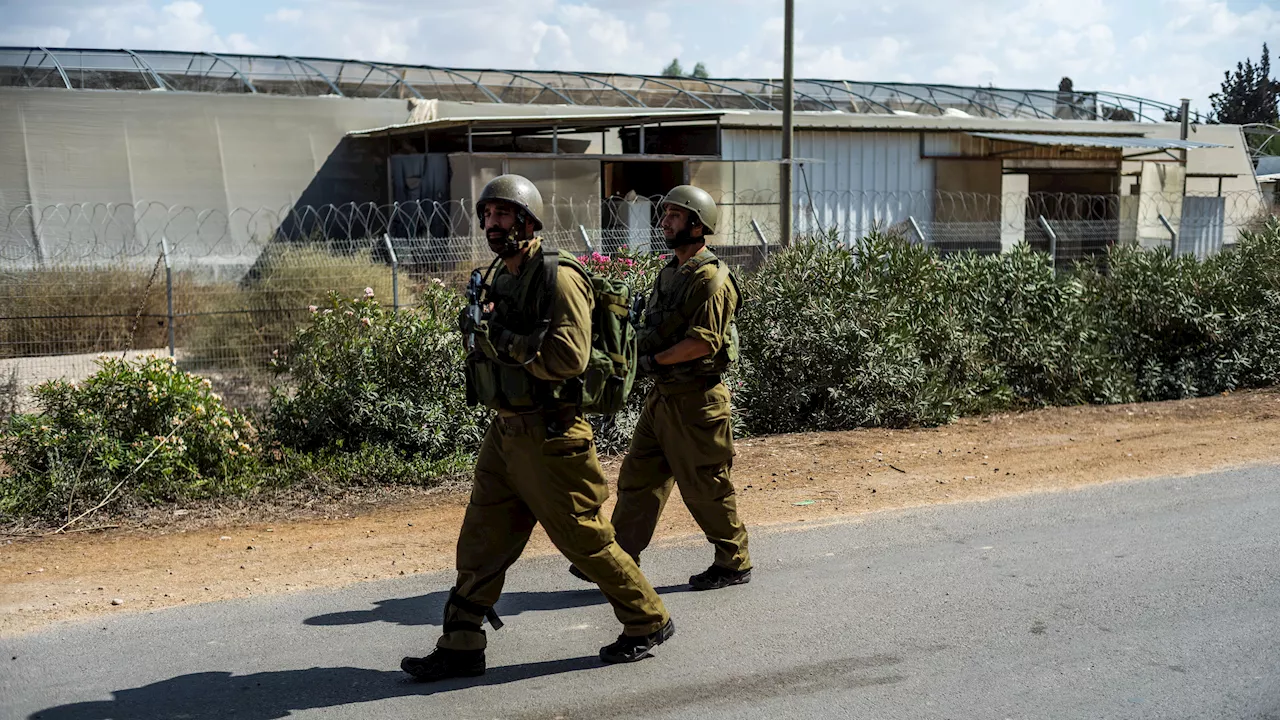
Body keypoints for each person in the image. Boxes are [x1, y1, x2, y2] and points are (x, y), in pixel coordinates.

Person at [401, 175, 674, 682]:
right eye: (487, 215)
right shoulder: (500, 276)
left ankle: (646, 618)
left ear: (527, 220)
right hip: (506, 432)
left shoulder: (558, 274)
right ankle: (462, 645)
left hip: (551, 435)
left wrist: (498, 338)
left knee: (583, 538)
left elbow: (568, 357)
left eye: (502, 215)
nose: (491, 224)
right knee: (481, 541)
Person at [570, 184, 752, 591]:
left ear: (696, 223)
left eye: (673, 214)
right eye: (665, 213)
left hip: (697, 401)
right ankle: (620, 556)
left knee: (706, 486)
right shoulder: (671, 271)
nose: (664, 221)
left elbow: (703, 342)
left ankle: (733, 560)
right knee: (639, 479)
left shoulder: (711, 278)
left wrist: (650, 362)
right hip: (664, 397)